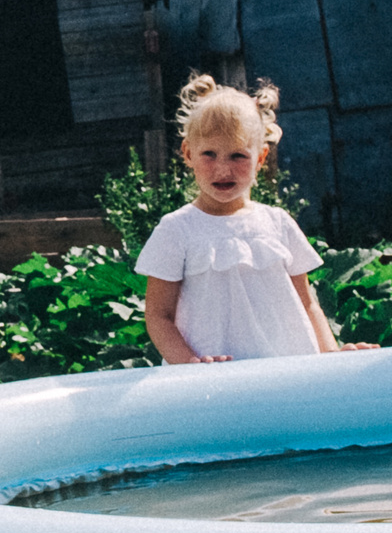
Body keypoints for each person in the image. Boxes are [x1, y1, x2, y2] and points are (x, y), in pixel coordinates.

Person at [138, 75, 366, 364]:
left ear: (260, 157)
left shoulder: (278, 222)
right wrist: (189, 366)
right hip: (213, 381)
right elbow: (159, 316)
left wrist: (333, 356)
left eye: (238, 156)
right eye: (209, 154)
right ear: (187, 153)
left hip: (289, 370)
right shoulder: (176, 229)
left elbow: (308, 304)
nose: (223, 169)